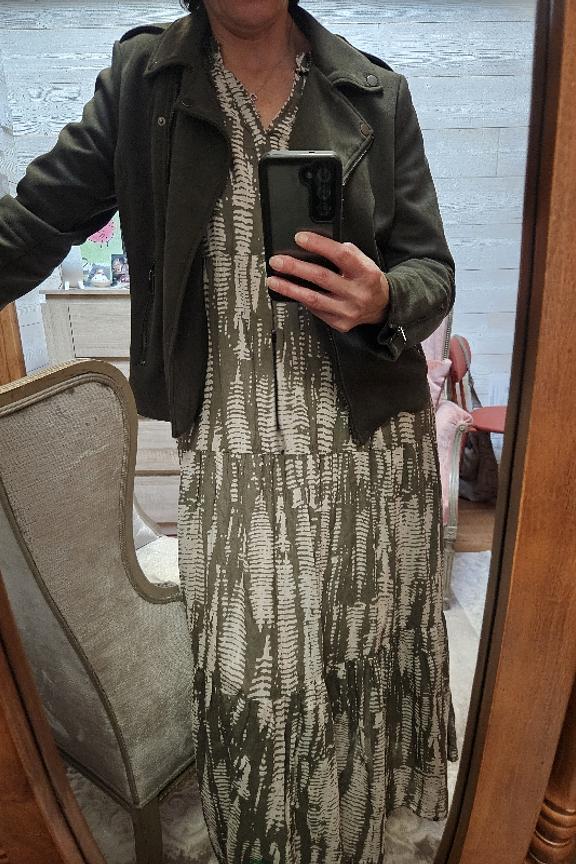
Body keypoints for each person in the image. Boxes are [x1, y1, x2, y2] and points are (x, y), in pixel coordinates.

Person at [0, 0, 459, 861]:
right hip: (232, 445)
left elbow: (432, 269)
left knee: (358, 664)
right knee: (255, 683)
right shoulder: (146, 83)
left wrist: (385, 297)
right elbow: (30, 225)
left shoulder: (374, 91)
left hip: (367, 443)